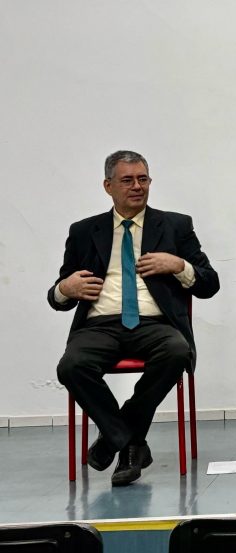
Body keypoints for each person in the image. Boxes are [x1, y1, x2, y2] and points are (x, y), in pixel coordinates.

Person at [49, 150, 220, 487]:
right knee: (71, 366)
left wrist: (179, 266)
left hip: (155, 323)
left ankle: (116, 436)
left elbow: (209, 283)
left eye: (143, 179)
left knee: (176, 351)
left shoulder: (175, 226)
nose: (137, 186)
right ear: (108, 186)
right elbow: (59, 297)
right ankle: (130, 443)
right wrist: (64, 289)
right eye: (127, 180)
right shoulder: (84, 231)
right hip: (99, 324)